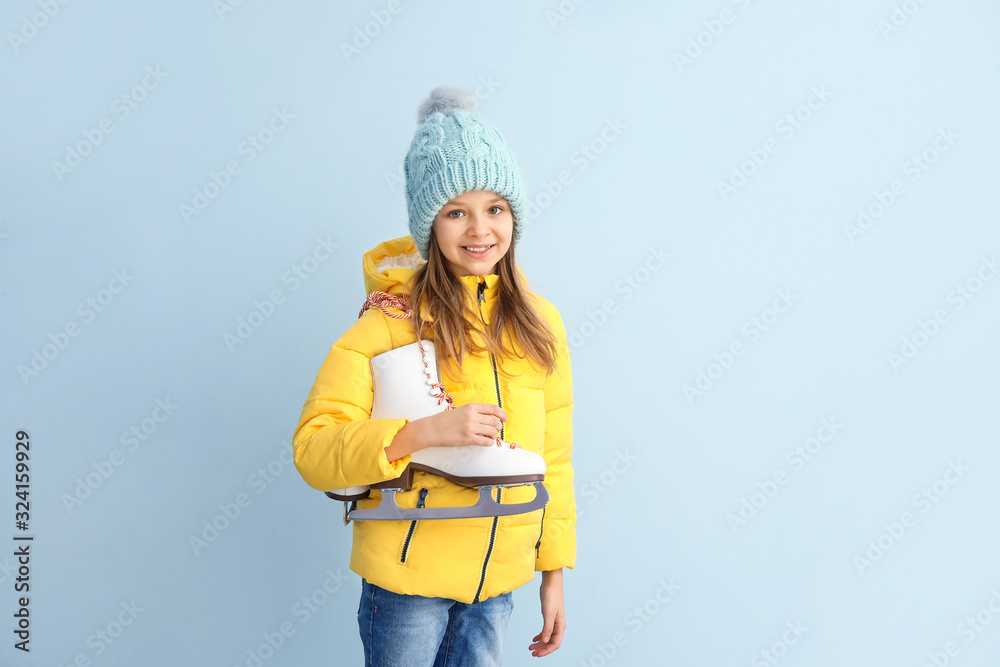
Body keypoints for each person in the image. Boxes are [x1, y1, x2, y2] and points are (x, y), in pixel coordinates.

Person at [291, 85, 576, 666]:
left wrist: (552, 573)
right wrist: (423, 433)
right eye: (455, 211)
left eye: (495, 208)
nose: (479, 230)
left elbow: (556, 457)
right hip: (407, 585)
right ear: (429, 223)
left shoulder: (539, 323)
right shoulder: (388, 322)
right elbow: (314, 450)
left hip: (498, 586)